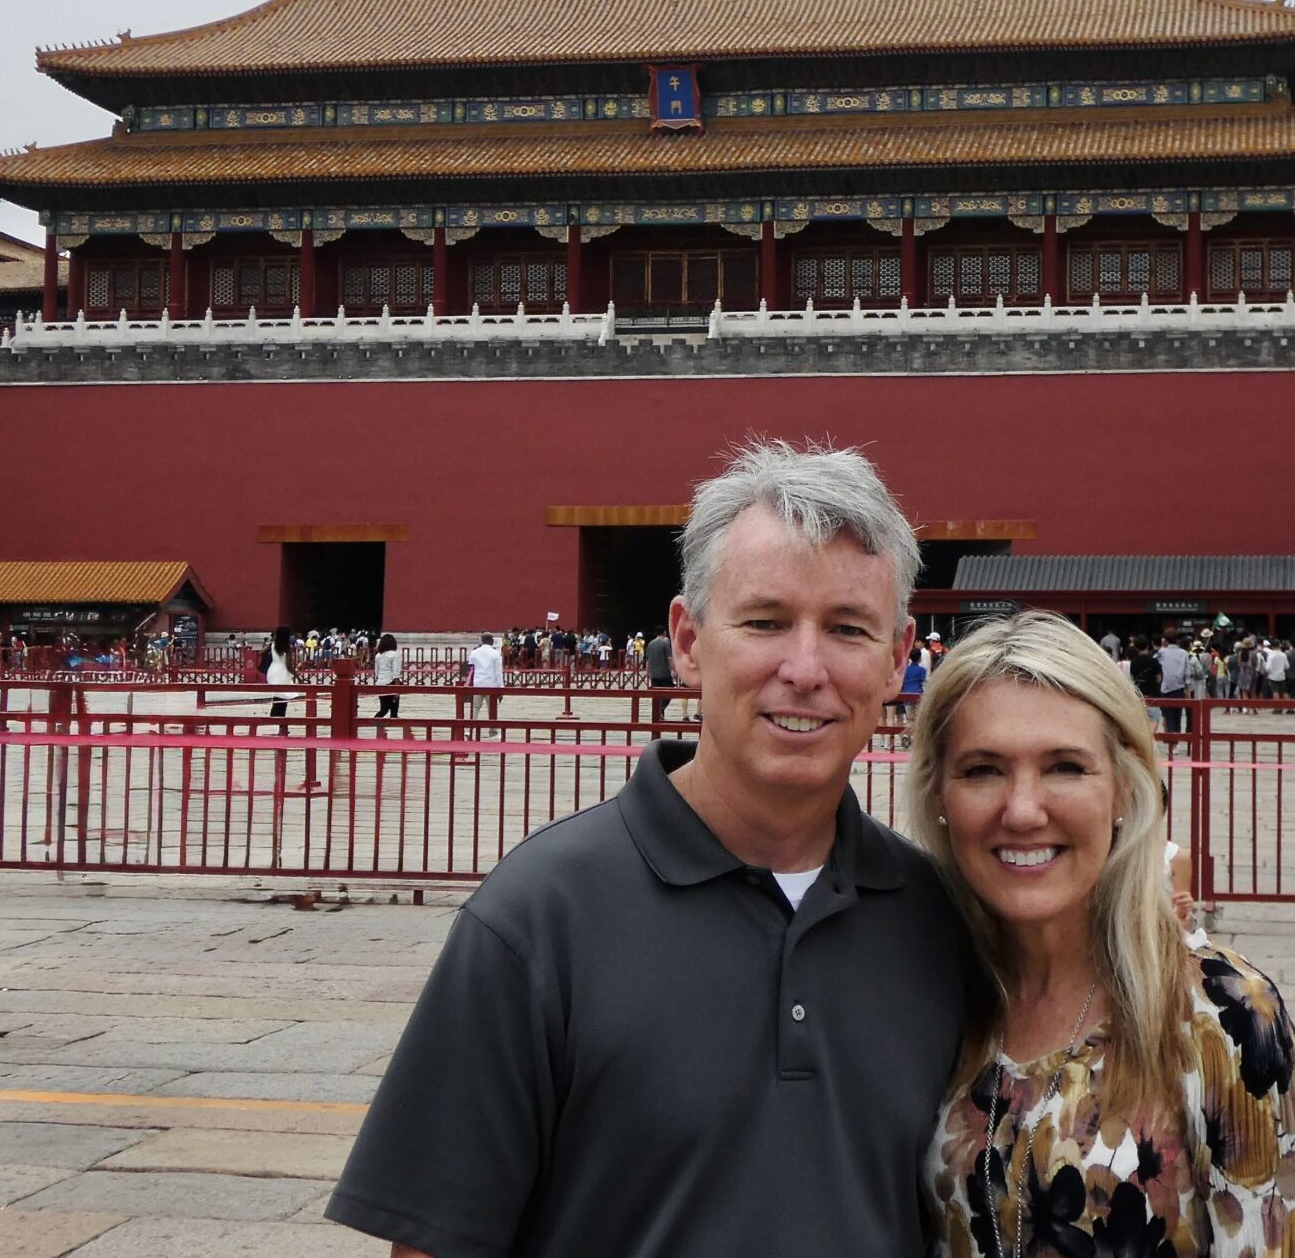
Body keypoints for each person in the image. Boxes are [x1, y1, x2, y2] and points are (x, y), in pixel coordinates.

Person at [331, 441, 966, 1257]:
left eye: (847, 629)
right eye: (765, 622)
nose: (805, 669)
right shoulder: (540, 917)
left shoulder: (936, 919)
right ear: (688, 641)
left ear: (897, 659)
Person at [911, 612, 1295, 1257]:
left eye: (1065, 767)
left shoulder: (1222, 1016)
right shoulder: (920, 988)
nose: (1022, 810)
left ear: (1124, 792)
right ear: (939, 792)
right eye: (982, 770)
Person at [646, 612, 680, 724]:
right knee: (669, 692)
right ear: (665, 632)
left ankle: (659, 714)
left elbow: (647, 660)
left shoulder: (650, 644)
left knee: (656, 695)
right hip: (664, 673)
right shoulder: (665, 644)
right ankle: (661, 709)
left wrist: (648, 672)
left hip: (654, 674)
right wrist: (674, 670)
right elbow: (669, 658)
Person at [465, 631, 503, 722]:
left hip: (477, 683)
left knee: (475, 707)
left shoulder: (474, 652)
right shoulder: (495, 654)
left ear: (482, 640)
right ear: (491, 641)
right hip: (491, 685)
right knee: (492, 708)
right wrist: (501, 687)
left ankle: (471, 726)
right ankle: (492, 728)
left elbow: (470, 668)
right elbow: (498, 672)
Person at [261, 626, 295, 720]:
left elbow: (261, 653)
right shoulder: (288, 648)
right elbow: (288, 665)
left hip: (273, 670)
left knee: (278, 695)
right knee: (283, 696)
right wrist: (298, 677)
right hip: (282, 671)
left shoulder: (273, 644)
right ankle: (280, 718)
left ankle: (274, 716)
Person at [371, 634, 402, 721]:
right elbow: (396, 673)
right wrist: (397, 689)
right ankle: (377, 722)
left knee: (383, 709)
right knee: (394, 711)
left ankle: (376, 722)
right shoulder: (394, 655)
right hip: (391, 683)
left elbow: (376, 672)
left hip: (380, 683)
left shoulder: (378, 656)